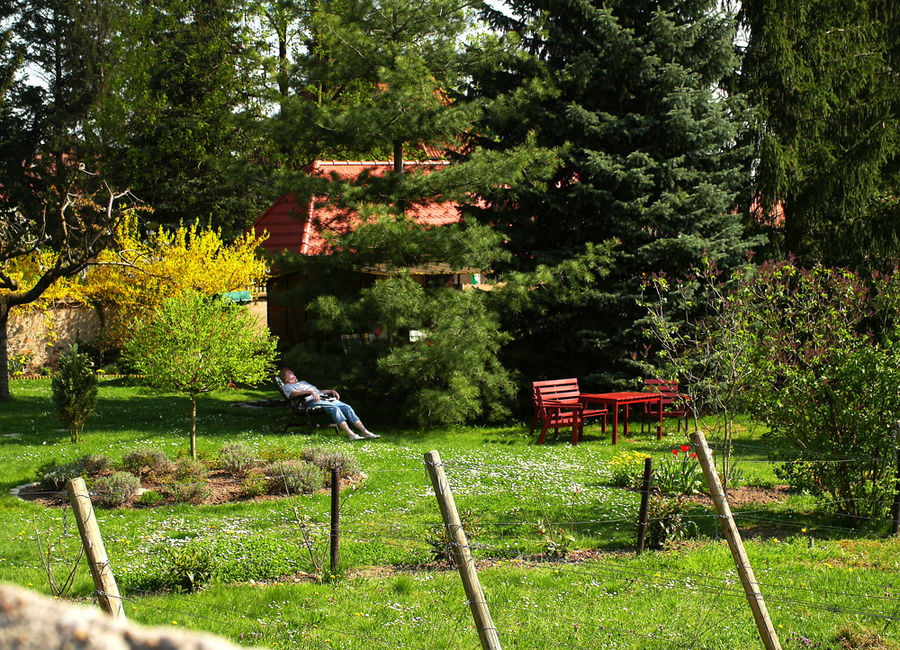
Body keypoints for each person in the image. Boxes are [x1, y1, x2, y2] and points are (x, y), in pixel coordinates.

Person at [279, 368, 379, 441]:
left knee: (347, 407)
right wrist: (309, 392)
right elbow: (293, 394)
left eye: (292, 372)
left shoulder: (303, 382)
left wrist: (331, 391)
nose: (292, 373)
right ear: (285, 378)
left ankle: (365, 432)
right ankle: (351, 434)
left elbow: (318, 391)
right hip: (309, 402)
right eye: (289, 373)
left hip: (323, 398)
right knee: (334, 407)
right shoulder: (287, 386)